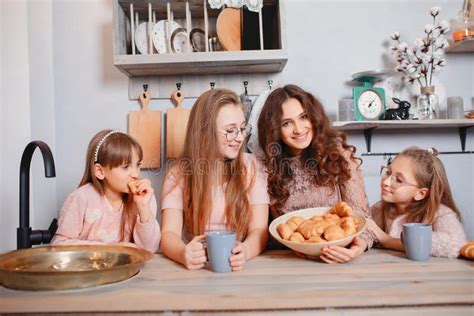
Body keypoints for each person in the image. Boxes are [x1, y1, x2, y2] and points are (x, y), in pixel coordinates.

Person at [257, 84, 376, 264]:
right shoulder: (266, 167)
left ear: (314, 117)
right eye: (286, 123)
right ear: (275, 130)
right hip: (291, 262)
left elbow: (360, 216)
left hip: (341, 258)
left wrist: (357, 249)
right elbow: (267, 231)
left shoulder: (338, 154)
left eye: (303, 117)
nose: (299, 129)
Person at [160, 88, 269, 271]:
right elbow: (169, 233)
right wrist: (183, 253)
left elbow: (260, 230)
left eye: (242, 129)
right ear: (205, 133)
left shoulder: (252, 167)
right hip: (197, 269)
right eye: (230, 131)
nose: (240, 138)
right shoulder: (178, 173)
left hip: (237, 267)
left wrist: (246, 250)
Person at [51, 130, 161, 253]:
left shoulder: (145, 199)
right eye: (125, 167)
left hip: (127, 271)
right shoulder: (81, 198)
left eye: (138, 165)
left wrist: (143, 208)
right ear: (100, 171)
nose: (136, 174)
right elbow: (59, 245)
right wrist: (110, 248)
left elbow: (149, 250)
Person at [367, 147, 467, 258]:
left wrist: (387, 240)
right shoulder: (378, 209)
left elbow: (457, 244)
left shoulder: (440, 213)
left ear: (421, 193)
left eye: (399, 180)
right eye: (388, 172)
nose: (385, 182)